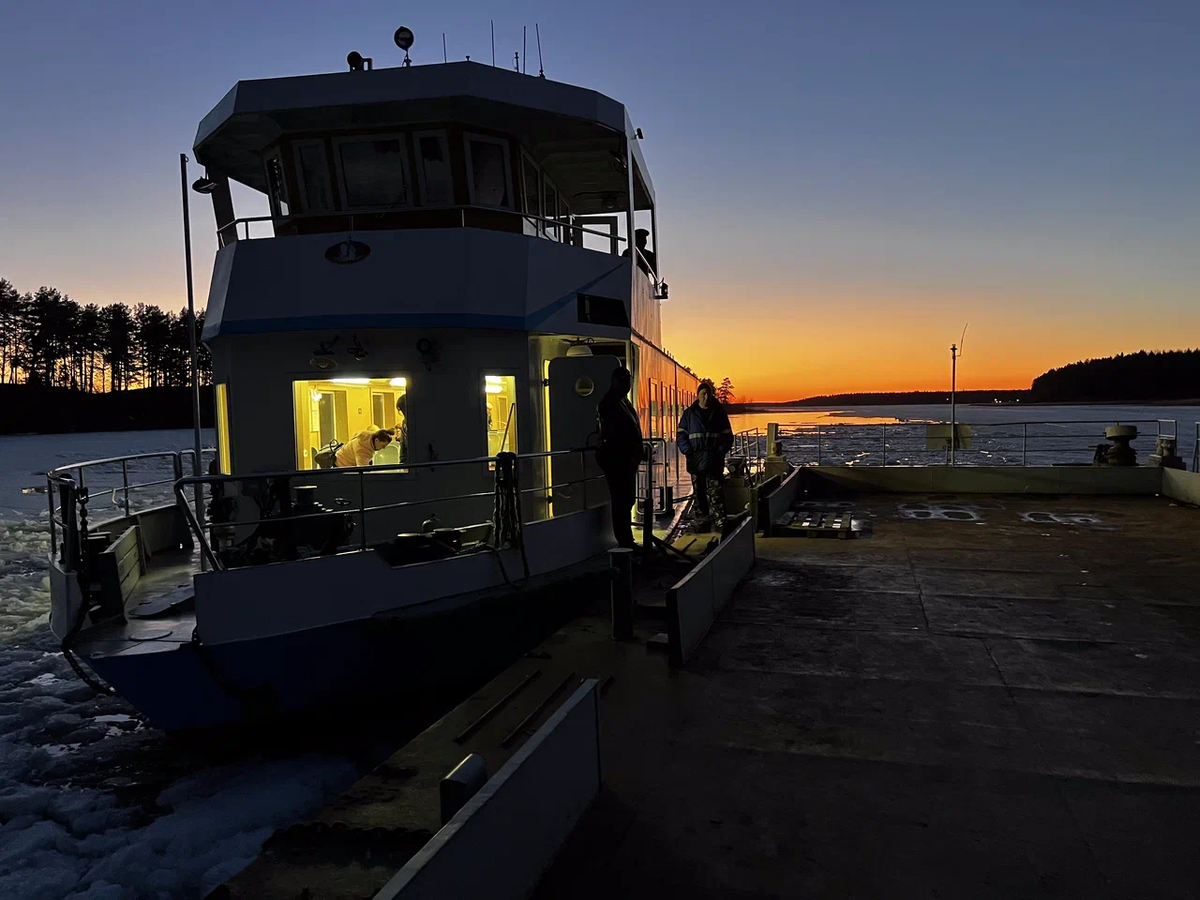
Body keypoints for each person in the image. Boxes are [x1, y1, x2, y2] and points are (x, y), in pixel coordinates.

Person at [596, 366, 644, 549]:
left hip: (627, 461)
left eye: (629, 380)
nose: (627, 384)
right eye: (624, 380)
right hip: (617, 461)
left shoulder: (623, 401)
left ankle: (627, 538)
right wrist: (629, 456)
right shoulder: (609, 403)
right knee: (621, 500)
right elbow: (615, 436)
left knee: (627, 499)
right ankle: (624, 541)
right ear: (615, 381)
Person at [676, 379, 734, 534]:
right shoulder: (689, 414)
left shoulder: (719, 413)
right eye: (702, 394)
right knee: (699, 495)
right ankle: (703, 523)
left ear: (712, 395)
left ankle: (721, 524)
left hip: (714, 461)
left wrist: (719, 452)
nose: (705, 397)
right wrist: (687, 450)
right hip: (695, 461)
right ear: (698, 395)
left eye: (708, 394)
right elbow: (681, 435)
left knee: (716, 494)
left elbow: (728, 437)